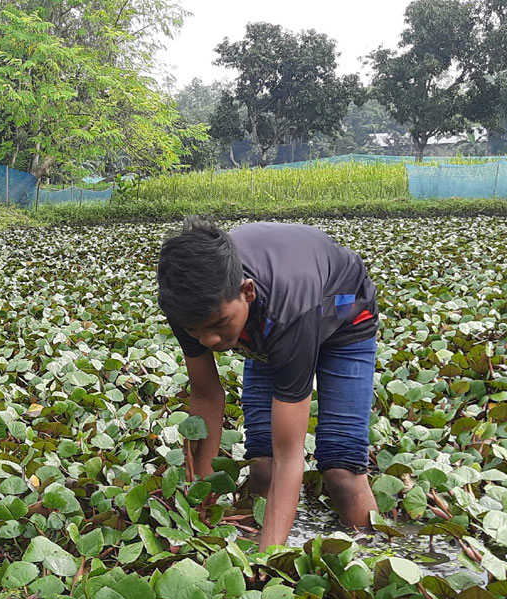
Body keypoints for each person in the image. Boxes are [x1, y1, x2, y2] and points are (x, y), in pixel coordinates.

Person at [157, 216, 381, 549]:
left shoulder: (290, 309)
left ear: (246, 292)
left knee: (341, 476)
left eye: (219, 324)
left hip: (341, 318)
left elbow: (291, 453)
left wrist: (268, 558)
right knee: (262, 467)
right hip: (264, 326)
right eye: (195, 331)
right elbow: (205, 396)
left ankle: (375, 555)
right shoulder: (188, 305)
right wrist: (198, 495)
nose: (209, 340)